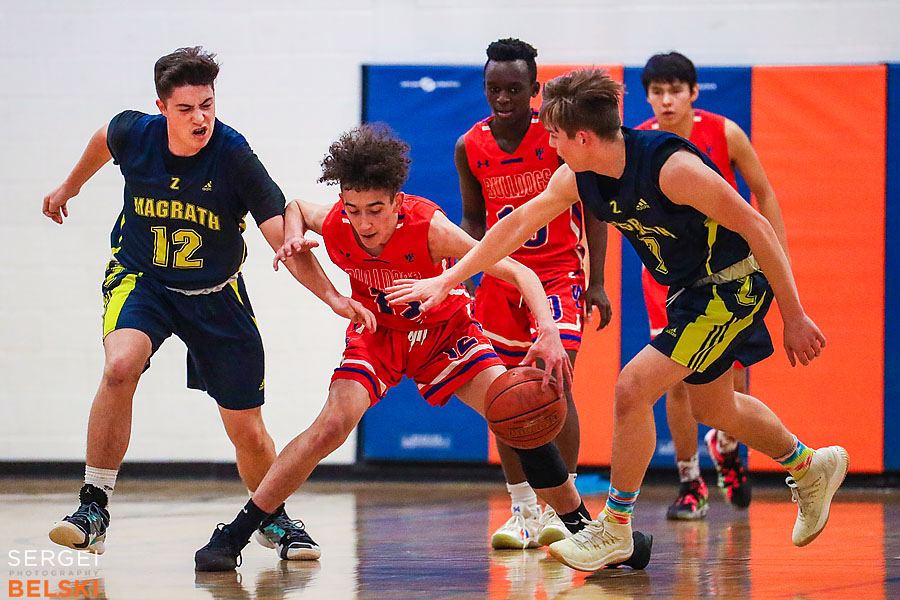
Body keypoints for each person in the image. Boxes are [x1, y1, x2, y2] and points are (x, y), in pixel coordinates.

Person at [386, 68, 848, 571]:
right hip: (691, 289)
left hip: (731, 286)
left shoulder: (671, 168)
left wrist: (794, 314)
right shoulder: (577, 175)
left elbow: (757, 226)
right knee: (714, 408)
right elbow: (515, 224)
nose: (551, 145)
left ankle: (616, 527)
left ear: (582, 137)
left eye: (556, 136)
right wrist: (446, 280)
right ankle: (810, 465)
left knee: (633, 387)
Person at [193, 124, 652, 572]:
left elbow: (520, 273)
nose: (364, 223)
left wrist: (548, 330)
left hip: (444, 334)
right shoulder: (337, 222)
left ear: (397, 201)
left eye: (376, 209)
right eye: (353, 209)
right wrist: (326, 285)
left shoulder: (431, 228)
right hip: (378, 335)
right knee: (331, 425)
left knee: (519, 415)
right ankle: (234, 534)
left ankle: (591, 532)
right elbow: (294, 206)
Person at [42, 46, 373, 559]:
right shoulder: (133, 133)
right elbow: (102, 140)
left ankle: (274, 519)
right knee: (120, 365)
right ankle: (93, 505)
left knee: (245, 425)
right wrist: (70, 185)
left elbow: (278, 234)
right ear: (161, 107)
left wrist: (331, 295)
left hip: (217, 295)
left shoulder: (234, 154)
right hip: (143, 280)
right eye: (186, 108)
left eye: (208, 105)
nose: (200, 118)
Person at [457, 38, 612, 549]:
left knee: (552, 389)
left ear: (535, 91)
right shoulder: (469, 146)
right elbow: (474, 220)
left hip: (559, 277)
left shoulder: (558, 140)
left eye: (513, 88)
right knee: (507, 397)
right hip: (500, 284)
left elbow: (594, 210)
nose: (502, 97)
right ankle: (522, 510)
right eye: (492, 88)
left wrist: (598, 282)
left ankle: (561, 513)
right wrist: (466, 275)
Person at [635, 51, 791, 520]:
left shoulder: (723, 132)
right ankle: (689, 482)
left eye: (674, 91)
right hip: (670, 279)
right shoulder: (639, 142)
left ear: (693, 93)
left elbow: (764, 191)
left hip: (729, 272)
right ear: (647, 96)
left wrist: (776, 257)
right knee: (676, 379)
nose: (666, 101)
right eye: (657, 92)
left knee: (732, 374)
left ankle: (724, 445)